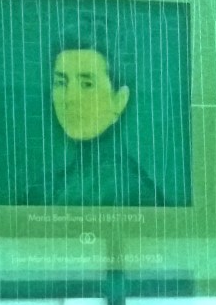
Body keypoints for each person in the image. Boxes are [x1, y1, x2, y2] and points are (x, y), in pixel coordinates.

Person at [33, 13, 166, 207]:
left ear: (119, 100)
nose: (69, 98)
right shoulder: (44, 190)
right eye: (61, 83)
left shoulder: (136, 194)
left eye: (87, 84)